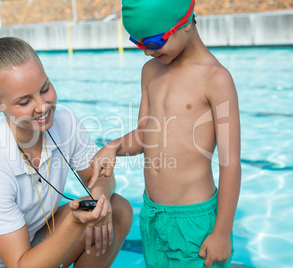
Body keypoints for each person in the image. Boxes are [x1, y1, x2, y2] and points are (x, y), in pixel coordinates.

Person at [0, 37, 133, 268]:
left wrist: (100, 192)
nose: (43, 106)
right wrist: (75, 222)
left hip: (30, 244)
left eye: (45, 88)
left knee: (117, 209)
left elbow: (100, 174)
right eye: (24, 102)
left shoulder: (65, 123)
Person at [89, 0, 241, 267]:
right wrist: (113, 146)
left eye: (154, 43)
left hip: (194, 222)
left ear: (183, 23)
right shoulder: (150, 72)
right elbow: (145, 134)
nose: (147, 52)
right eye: (138, 44)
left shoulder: (216, 79)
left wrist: (221, 232)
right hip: (152, 215)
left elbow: (230, 164)